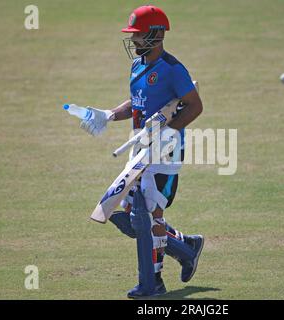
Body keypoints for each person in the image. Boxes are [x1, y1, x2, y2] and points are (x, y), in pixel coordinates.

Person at [79, 5, 204, 298]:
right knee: (125, 216)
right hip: (140, 150)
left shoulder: (173, 69)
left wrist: (167, 131)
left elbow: (195, 105)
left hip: (165, 154)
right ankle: (186, 247)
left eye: (138, 35)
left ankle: (152, 283)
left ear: (156, 34)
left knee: (148, 213)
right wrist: (109, 114)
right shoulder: (137, 66)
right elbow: (137, 102)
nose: (134, 40)